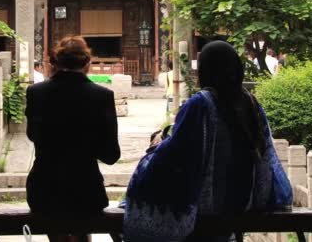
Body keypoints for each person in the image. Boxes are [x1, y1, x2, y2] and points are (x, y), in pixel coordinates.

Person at [123, 41, 292, 242]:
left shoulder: (201, 104)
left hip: (209, 206)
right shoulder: (251, 102)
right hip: (243, 202)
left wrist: (156, 146)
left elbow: (177, 154)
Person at [25, 35, 121, 242]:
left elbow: (33, 134)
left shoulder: (36, 92)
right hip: (84, 188)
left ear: (55, 62)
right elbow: (111, 154)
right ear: (88, 62)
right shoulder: (101, 95)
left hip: (45, 187)